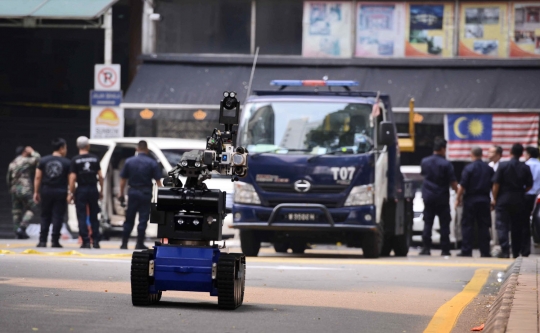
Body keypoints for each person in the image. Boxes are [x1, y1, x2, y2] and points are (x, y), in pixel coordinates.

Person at [118, 140, 162, 250]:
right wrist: (161, 196)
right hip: (146, 193)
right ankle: (139, 243)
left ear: (137, 149)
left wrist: (121, 193)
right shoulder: (152, 163)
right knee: (143, 219)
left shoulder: (129, 161)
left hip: (132, 192)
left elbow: (123, 179)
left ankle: (124, 243)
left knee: (129, 218)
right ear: (146, 150)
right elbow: (158, 181)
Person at [492, 143, 533, 258]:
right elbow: (529, 186)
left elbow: (496, 184)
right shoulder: (525, 167)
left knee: (502, 225)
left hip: (503, 199)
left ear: (510, 152)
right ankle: (516, 252)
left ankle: (505, 251)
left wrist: (494, 198)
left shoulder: (503, 165)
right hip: (519, 199)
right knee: (517, 226)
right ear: (521, 154)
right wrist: (520, 191)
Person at [420, 137, 458, 256]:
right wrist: (458, 194)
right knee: (444, 224)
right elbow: (453, 182)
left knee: (428, 223)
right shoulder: (446, 164)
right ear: (442, 149)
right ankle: (445, 249)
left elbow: (423, 175)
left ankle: (426, 248)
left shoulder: (424, 161)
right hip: (442, 197)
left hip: (428, 197)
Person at [455, 146, 493, 257]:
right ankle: (485, 251)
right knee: (484, 226)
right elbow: (494, 185)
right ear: (481, 155)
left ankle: (467, 250)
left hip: (470, 200)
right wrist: (494, 199)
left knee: (467, 225)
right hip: (484, 199)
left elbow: (462, 186)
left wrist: (458, 199)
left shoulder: (468, 168)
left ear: (472, 154)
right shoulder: (488, 169)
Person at [33, 138, 71, 248]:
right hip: (61, 191)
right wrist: (70, 193)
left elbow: (37, 177)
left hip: (46, 190)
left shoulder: (43, 160)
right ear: (61, 148)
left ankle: (42, 241)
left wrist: (36, 192)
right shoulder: (67, 162)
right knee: (58, 216)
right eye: (65, 147)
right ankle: (55, 241)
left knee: (45, 216)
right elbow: (70, 179)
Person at [69, 136, 103, 249]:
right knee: (94, 216)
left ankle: (86, 242)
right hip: (93, 189)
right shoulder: (95, 158)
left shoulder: (75, 160)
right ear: (88, 146)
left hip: (82, 189)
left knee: (82, 216)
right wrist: (101, 190)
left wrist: (72, 193)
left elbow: (72, 179)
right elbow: (101, 176)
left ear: (77, 146)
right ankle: (96, 241)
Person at [7, 146, 40, 239]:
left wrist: (11, 188)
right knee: (32, 208)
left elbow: (8, 178)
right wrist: (33, 151)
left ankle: (17, 231)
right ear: (24, 152)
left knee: (16, 212)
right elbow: (38, 159)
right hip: (25, 189)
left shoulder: (12, 163)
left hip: (14, 190)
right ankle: (22, 227)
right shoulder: (26, 160)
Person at [523, 146, 540, 256]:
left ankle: (525, 248)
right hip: (537, 196)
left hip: (525, 195)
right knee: (535, 221)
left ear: (528, 154)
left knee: (523, 222)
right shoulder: (539, 165)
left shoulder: (525, 166)